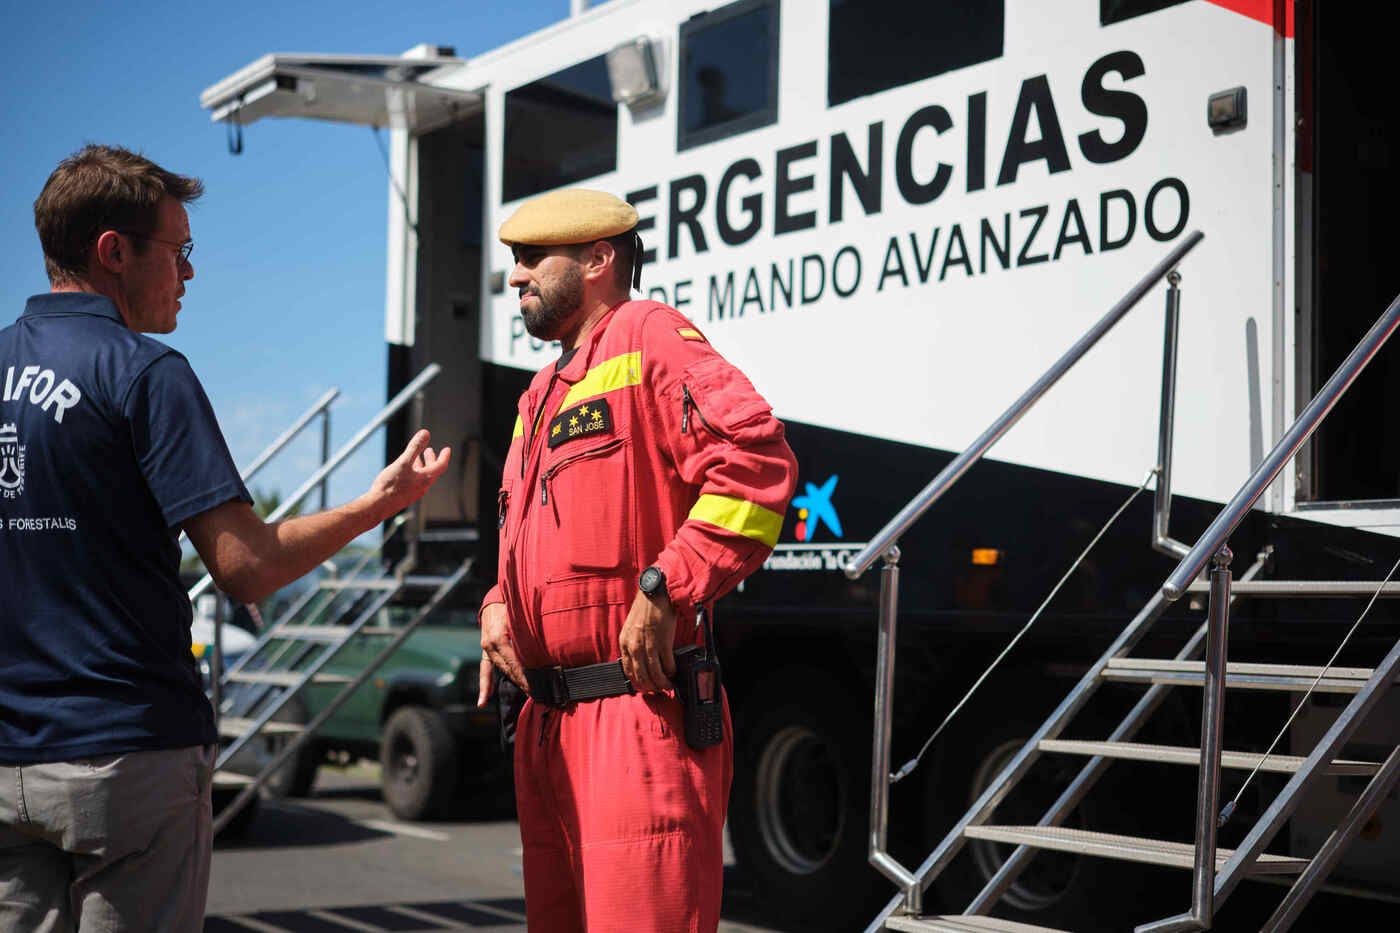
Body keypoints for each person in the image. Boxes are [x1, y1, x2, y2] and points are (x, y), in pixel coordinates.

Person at [0, 144, 450, 933]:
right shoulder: (143, 373)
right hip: (125, 758)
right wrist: (377, 505)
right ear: (114, 252)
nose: (190, 273)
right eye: (179, 251)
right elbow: (248, 567)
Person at [476, 187, 797, 932]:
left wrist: (667, 585)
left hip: (635, 718)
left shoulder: (649, 334)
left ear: (598, 258)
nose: (516, 276)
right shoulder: (538, 395)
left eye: (530, 259)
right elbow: (530, 537)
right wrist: (497, 602)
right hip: (548, 727)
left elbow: (755, 464)